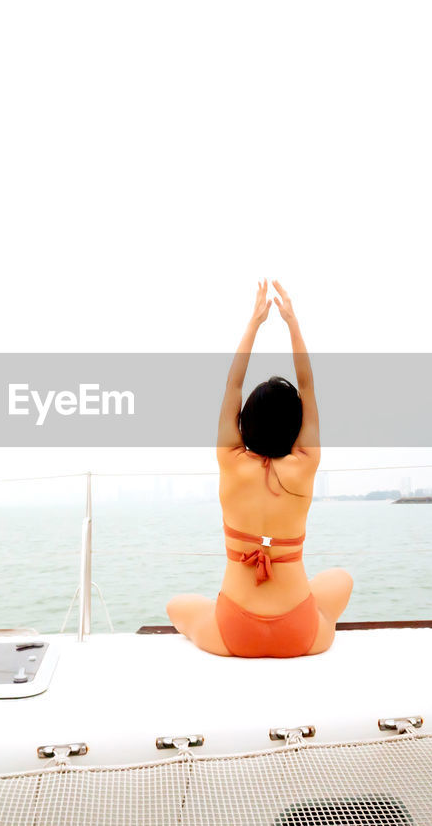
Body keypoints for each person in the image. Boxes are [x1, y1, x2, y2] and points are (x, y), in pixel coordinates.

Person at [166, 280, 353, 657]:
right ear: (296, 425)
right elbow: (308, 386)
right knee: (340, 580)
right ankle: (316, 618)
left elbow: (232, 383)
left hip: (235, 631)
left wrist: (255, 322)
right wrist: (292, 322)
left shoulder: (230, 460)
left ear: (245, 421)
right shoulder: (305, 464)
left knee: (177, 606)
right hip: (299, 632)